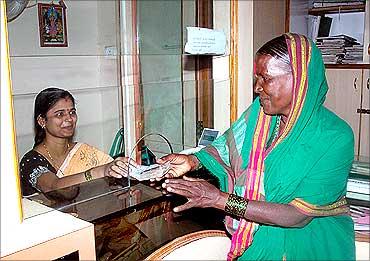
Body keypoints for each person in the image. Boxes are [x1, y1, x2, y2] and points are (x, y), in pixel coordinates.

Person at [156, 33, 355, 260]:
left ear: (300, 79)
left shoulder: (335, 137)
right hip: (259, 236)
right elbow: (228, 145)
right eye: (256, 78)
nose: (257, 87)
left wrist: (219, 199)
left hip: (311, 245)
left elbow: (298, 215)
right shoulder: (259, 115)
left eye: (266, 78)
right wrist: (192, 160)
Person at [19, 87, 128, 196]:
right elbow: (54, 187)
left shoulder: (83, 152)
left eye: (72, 112)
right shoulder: (30, 162)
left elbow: (111, 180)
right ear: (42, 121)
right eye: (59, 114)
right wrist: (99, 171)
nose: (69, 119)